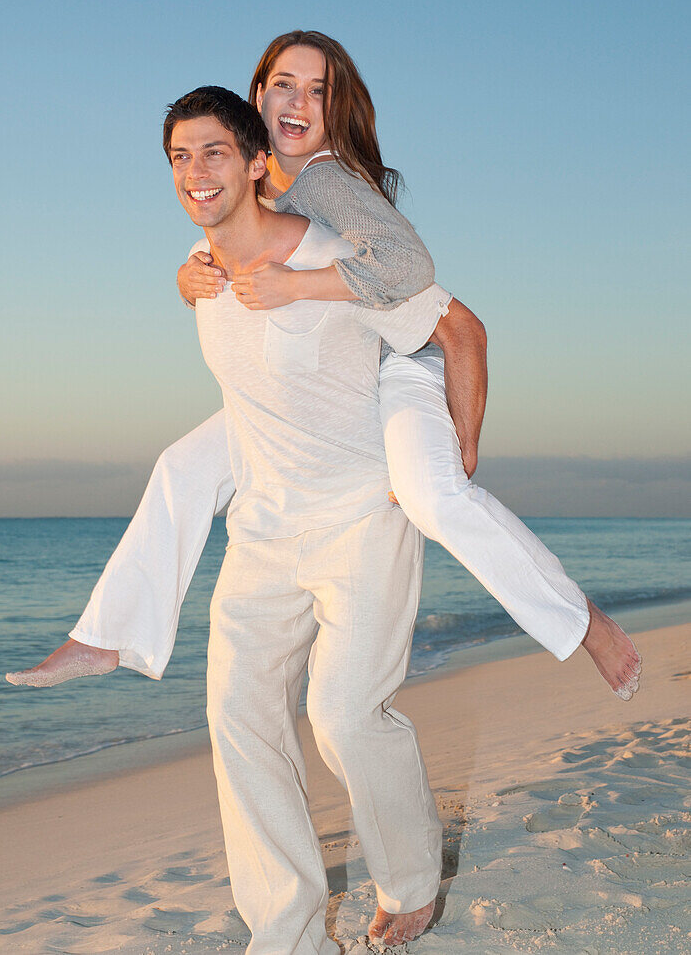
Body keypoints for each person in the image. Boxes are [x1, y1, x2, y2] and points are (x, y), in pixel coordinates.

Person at [7, 32, 641, 704]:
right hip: (326, 389)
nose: (298, 102)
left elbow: (433, 297)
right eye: (285, 84)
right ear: (258, 96)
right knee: (182, 467)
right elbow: (236, 248)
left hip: (401, 367)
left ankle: (584, 625)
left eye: (318, 90)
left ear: (334, 109)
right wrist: (185, 277)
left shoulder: (324, 181)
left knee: (432, 496)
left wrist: (462, 438)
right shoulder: (265, 190)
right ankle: (108, 634)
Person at [170, 85, 448, 949]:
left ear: (260, 164)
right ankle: (285, 927)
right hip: (259, 534)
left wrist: (447, 462)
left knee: (343, 713)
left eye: (215, 151)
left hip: (362, 519)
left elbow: (455, 329)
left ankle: (410, 881)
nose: (195, 171)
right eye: (180, 156)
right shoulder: (200, 270)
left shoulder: (337, 253)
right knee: (237, 717)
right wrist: (187, 280)